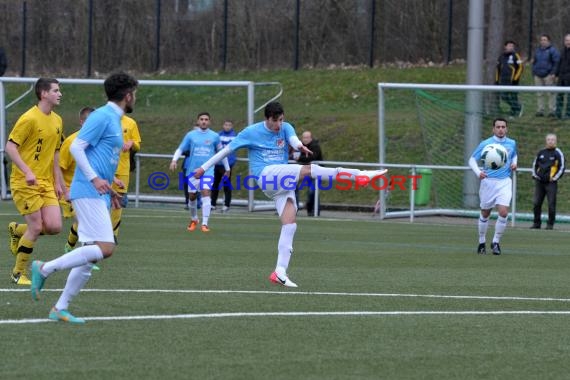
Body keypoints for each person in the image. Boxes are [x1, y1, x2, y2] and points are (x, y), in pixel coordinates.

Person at [194, 101, 387, 287]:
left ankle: (280, 271)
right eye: (275, 121)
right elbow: (225, 151)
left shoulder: (286, 127)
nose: (279, 124)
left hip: (282, 180)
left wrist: (299, 146)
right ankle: (359, 176)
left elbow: (293, 138)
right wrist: (203, 168)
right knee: (310, 169)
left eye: (281, 120)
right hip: (266, 175)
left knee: (290, 224)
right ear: (267, 119)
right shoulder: (251, 132)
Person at [30, 71, 139, 324]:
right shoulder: (102, 116)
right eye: (134, 93)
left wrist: (109, 185)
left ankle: (59, 308)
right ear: (127, 95)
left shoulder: (114, 118)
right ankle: (45, 268)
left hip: (98, 192)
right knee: (106, 248)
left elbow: (99, 158)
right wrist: (94, 179)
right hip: (87, 190)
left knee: (90, 256)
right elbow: (78, 147)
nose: (135, 98)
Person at [6, 78, 66, 285]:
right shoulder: (29, 118)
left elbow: (56, 153)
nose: (60, 94)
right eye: (56, 91)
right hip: (25, 182)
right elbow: (10, 148)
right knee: (36, 227)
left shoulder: (57, 120)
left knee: (54, 226)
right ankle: (17, 273)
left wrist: (57, 182)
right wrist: (27, 171)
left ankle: (16, 230)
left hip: (46, 182)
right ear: (43, 94)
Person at [169, 112, 230, 232]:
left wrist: (227, 168)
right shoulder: (191, 135)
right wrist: (174, 160)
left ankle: (205, 223)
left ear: (209, 122)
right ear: (198, 121)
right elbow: (180, 148)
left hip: (208, 171)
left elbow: (222, 153)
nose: (204, 121)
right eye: (201, 119)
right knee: (192, 196)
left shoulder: (214, 136)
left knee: (206, 191)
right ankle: (194, 219)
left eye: (206, 119)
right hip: (192, 171)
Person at [469, 117, 518, 256]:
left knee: (503, 212)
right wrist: (478, 172)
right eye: (498, 127)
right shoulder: (486, 143)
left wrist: (514, 163)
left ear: (506, 129)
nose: (501, 129)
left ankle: (496, 242)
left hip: (504, 182)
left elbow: (514, 155)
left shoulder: (512, 143)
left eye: (503, 127)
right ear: (493, 129)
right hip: (488, 182)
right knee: (485, 213)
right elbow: (472, 159)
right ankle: (481, 242)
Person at [59, 107, 95, 253]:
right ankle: (85, 259)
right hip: (70, 191)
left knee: (86, 221)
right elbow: (58, 168)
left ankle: (70, 248)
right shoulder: (71, 142)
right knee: (87, 222)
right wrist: (64, 190)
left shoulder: (95, 142)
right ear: (82, 122)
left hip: (87, 190)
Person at [110, 115, 142, 242]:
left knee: (118, 202)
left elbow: (137, 145)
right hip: (105, 166)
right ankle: (98, 233)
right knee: (101, 200)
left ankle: (113, 234)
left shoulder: (130, 122)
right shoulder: (105, 118)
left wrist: (132, 143)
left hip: (122, 168)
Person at [531, 133, 565, 230]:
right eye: (549, 139)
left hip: (551, 183)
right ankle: (536, 223)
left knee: (551, 204)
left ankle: (550, 224)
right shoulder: (541, 152)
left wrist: (554, 178)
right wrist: (535, 175)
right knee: (536, 203)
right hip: (539, 182)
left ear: (556, 141)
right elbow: (535, 165)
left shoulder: (558, 153)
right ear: (546, 141)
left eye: (553, 139)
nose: (551, 141)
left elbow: (562, 167)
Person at [211, 120, 237, 213]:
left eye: (229, 125)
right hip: (217, 164)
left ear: (232, 126)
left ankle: (226, 205)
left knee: (226, 185)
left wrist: (230, 164)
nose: (227, 126)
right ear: (223, 125)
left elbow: (232, 151)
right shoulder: (217, 135)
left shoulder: (234, 136)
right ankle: (213, 204)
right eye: (226, 124)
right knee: (215, 184)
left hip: (227, 165)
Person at [296, 131, 323, 216]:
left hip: (316, 172)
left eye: (307, 137)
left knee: (313, 191)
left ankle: (314, 211)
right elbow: (293, 155)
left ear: (311, 138)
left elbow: (312, 157)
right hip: (305, 172)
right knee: (292, 188)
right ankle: (294, 210)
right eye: (304, 137)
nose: (305, 139)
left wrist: (299, 158)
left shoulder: (315, 146)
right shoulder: (300, 146)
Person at [531, 34, 559, 117]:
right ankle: (540, 110)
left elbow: (556, 63)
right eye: (542, 40)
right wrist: (534, 72)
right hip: (538, 75)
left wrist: (553, 73)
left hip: (549, 75)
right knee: (539, 94)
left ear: (549, 41)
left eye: (545, 40)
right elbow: (534, 61)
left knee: (551, 93)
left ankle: (552, 111)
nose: (543, 41)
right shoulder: (537, 51)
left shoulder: (553, 51)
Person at [496, 40, 524, 118]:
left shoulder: (516, 55)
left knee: (513, 96)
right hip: (503, 81)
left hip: (513, 82)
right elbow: (498, 69)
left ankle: (515, 112)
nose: (511, 47)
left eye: (512, 46)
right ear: (505, 47)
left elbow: (520, 68)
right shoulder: (501, 57)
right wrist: (497, 80)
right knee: (504, 97)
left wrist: (515, 79)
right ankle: (517, 107)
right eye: (509, 46)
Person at [556, 34, 570, 119]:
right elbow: (559, 63)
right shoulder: (562, 51)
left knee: (569, 98)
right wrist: (556, 74)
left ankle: (568, 114)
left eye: (569, 40)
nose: (568, 42)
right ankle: (558, 113)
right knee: (559, 96)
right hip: (561, 77)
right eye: (567, 40)